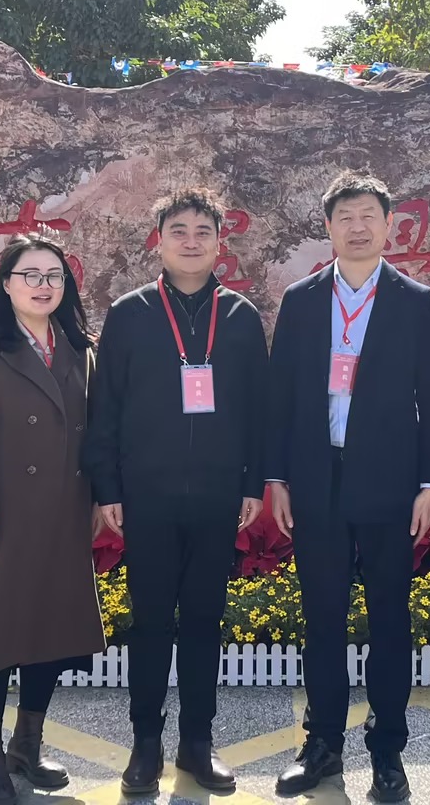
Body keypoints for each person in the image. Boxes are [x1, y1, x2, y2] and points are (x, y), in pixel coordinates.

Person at [266, 171, 430, 803]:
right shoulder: (301, 300)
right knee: (322, 617)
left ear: (389, 223)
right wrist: (277, 477)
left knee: (389, 620)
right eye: (345, 216)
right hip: (316, 479)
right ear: (328, 227)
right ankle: (321, 744)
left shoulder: (415, 301)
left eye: (369, 214)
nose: (358, 226)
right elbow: (281, 395)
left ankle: (388, 751)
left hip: (390, 483)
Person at [83, 187, 270, 795]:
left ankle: (197, 743)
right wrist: (107, 486)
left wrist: (251, 482)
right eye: (179, 231)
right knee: (150, 622)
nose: (191, 242)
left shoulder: (240, 317)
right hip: (148, 495)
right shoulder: (130, 313)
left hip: (218, 496)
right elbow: (105, 407)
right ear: (158, 241)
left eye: (202, 232)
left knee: (204, 621)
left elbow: (258, 410)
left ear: (220, 243)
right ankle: (145, 743)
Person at [0, 234, 106, 801]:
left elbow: (96, 433)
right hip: (1, 518)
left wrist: (97, 498)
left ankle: (26, 745)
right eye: (30, 275)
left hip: (63, 514)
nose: (43, 285)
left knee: (49, 634)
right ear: (6, 285)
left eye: (54, 276)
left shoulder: (79, 346)